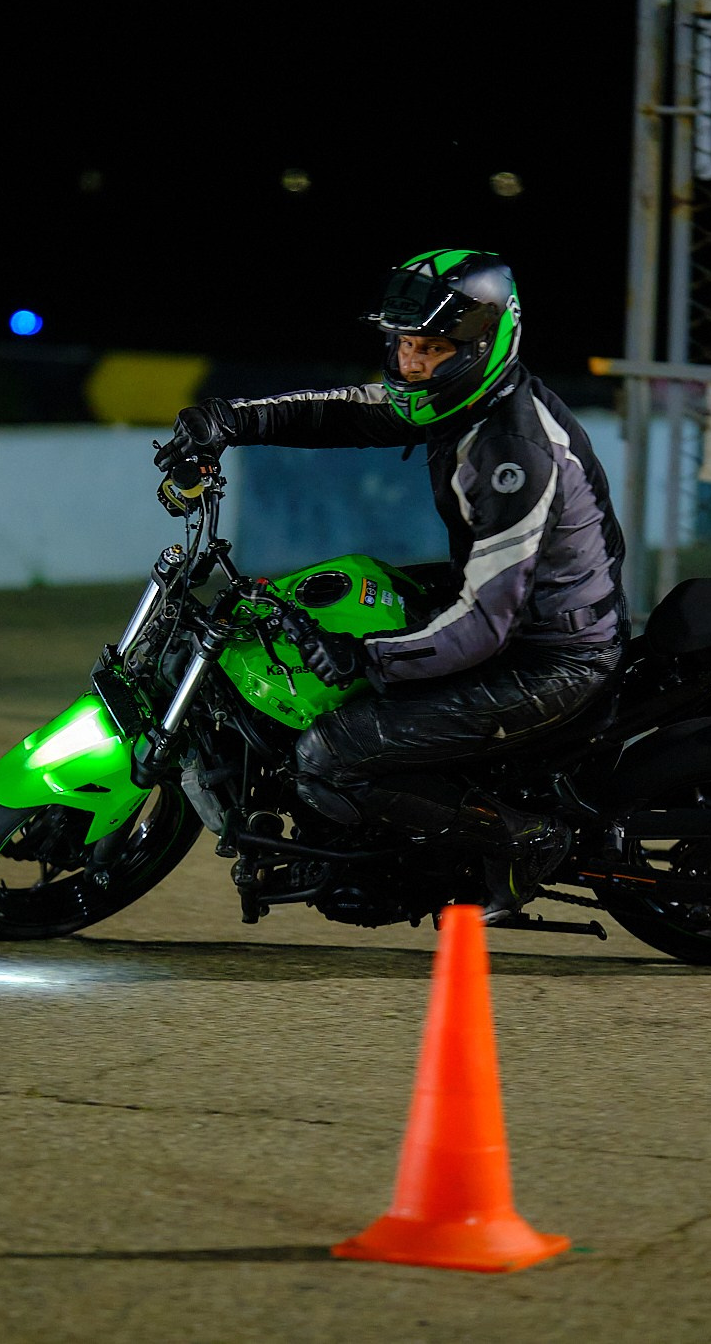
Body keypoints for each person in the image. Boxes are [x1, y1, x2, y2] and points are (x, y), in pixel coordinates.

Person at [158, 249, 628, 922]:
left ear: (485, 343)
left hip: (551, 658)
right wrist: (228, 420)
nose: (410, 363)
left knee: (328, 754)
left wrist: (368, 656)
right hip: (516, 612)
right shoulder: (459, 400)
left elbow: (484, 625)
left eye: (431, 347)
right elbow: (343, 410)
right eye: (405, 344)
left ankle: (523, 840)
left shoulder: (511, 454)